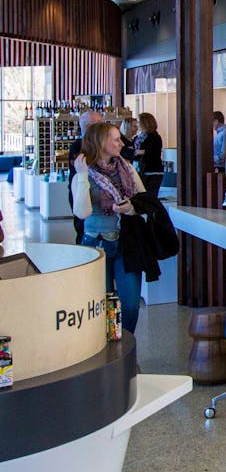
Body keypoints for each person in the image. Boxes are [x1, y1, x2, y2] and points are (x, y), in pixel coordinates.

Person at [71, 122, 145, 335]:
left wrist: (131, 208)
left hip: (126, 241)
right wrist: (83, 176)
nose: (121, 143)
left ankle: (124, 344)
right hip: (96, 243)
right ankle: (108, 348)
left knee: (130, 303)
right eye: (115, 139)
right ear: (101, 142)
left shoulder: (127, 169)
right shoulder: (82, 174)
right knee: (101, 303)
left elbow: (143, 200)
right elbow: (82, 213)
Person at [68, 110, 103, 243]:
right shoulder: (78, 146)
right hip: (81, 192)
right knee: (82, 228)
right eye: (100, 124)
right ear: (88, 126)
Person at [134, 112, 163, 196]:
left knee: (150, 196)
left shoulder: (154, 137)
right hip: (140, 169)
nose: (137, 124)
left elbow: (152, 152)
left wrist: (137, 151)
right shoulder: (139, 137)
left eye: (139, 122)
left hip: (152, 170)